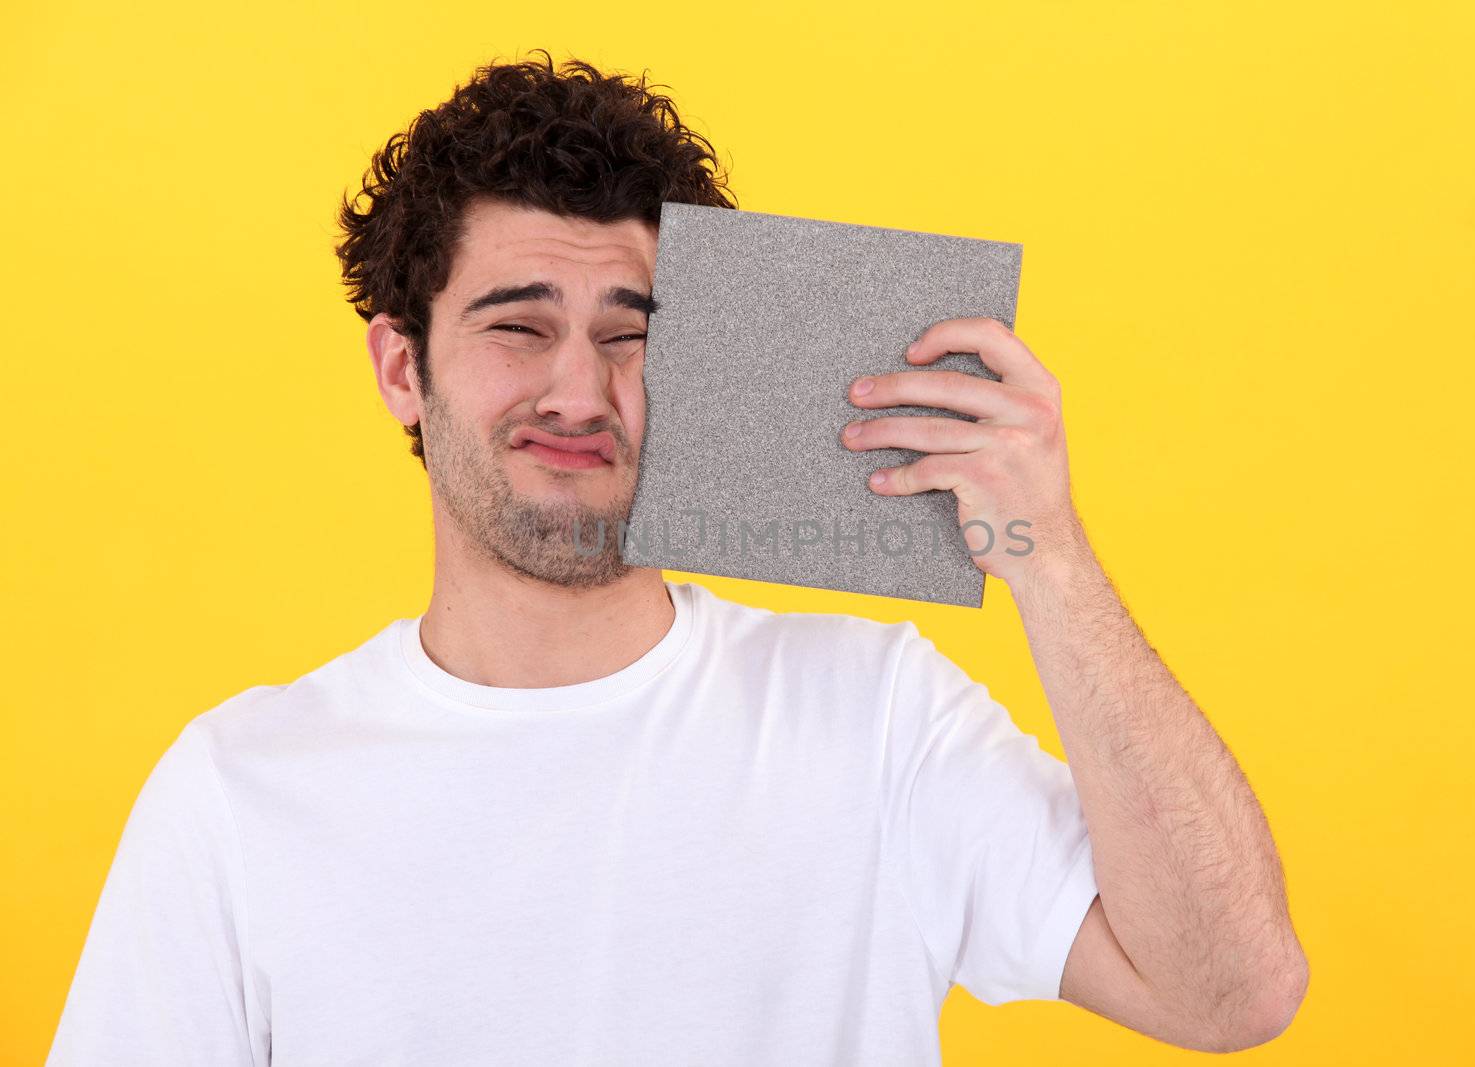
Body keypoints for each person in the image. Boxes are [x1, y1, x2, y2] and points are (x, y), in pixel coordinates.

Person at [46, 50, 1307, 1065]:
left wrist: (1048, 552)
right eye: (516, 325)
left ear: (704, 359)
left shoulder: (873, 713)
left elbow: (1233, 992)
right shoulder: (240, 789)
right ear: (400, 369)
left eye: (629, 332)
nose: (578, 389)